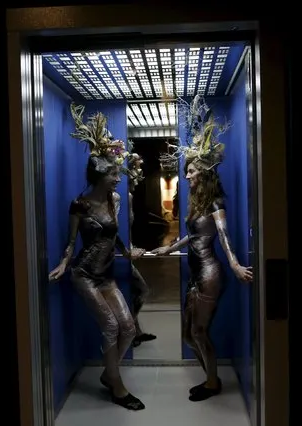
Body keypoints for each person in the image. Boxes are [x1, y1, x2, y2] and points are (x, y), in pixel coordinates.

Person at [152, 95, 253, 402]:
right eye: (187, 171)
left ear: (205, 174)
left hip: (210, 273)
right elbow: (194, 237)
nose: (187, 176)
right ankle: (210, 378)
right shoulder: (197, 204)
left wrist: (235, 263)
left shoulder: (215, 203)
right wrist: (170, 250)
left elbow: (223, 236)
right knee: (187, 334)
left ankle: (212, 382)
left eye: (192, 172)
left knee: (198, 333)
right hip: (196, 274)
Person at [49, 104, 146, 411]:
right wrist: (65, 262)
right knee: (111, 327)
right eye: (115, 173)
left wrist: (126, 251)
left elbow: (112, 234)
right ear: (101, 173)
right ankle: (117, 386)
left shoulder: (113, 198)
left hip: (105, 274)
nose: (119, 178)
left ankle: (108, 373)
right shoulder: (79, 205)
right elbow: (71, 242)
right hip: (85, 274)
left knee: (128, 328)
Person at [125, 152, 156, 347]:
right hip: (121, 253)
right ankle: (131, 329)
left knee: (138, 290)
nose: (139, 174)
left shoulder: (129, 196)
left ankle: (136, 331)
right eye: (136, 169)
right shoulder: (125, 196)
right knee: (142, 290)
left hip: (127, 249)